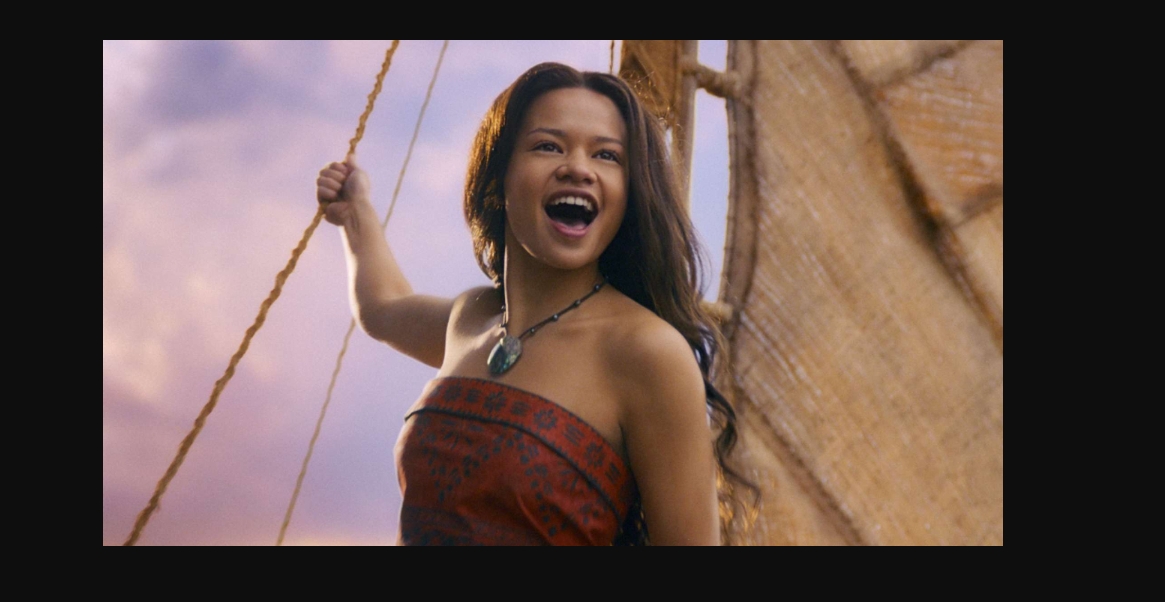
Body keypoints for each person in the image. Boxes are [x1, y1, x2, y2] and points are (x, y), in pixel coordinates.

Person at [317, 62, 750, 545]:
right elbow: (383, 307)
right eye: (548, 146)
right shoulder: (471, 318)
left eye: (607, 155)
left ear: (630, 193)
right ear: (498, 174)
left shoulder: (648, 352)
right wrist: (355, 212)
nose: (578, 168)